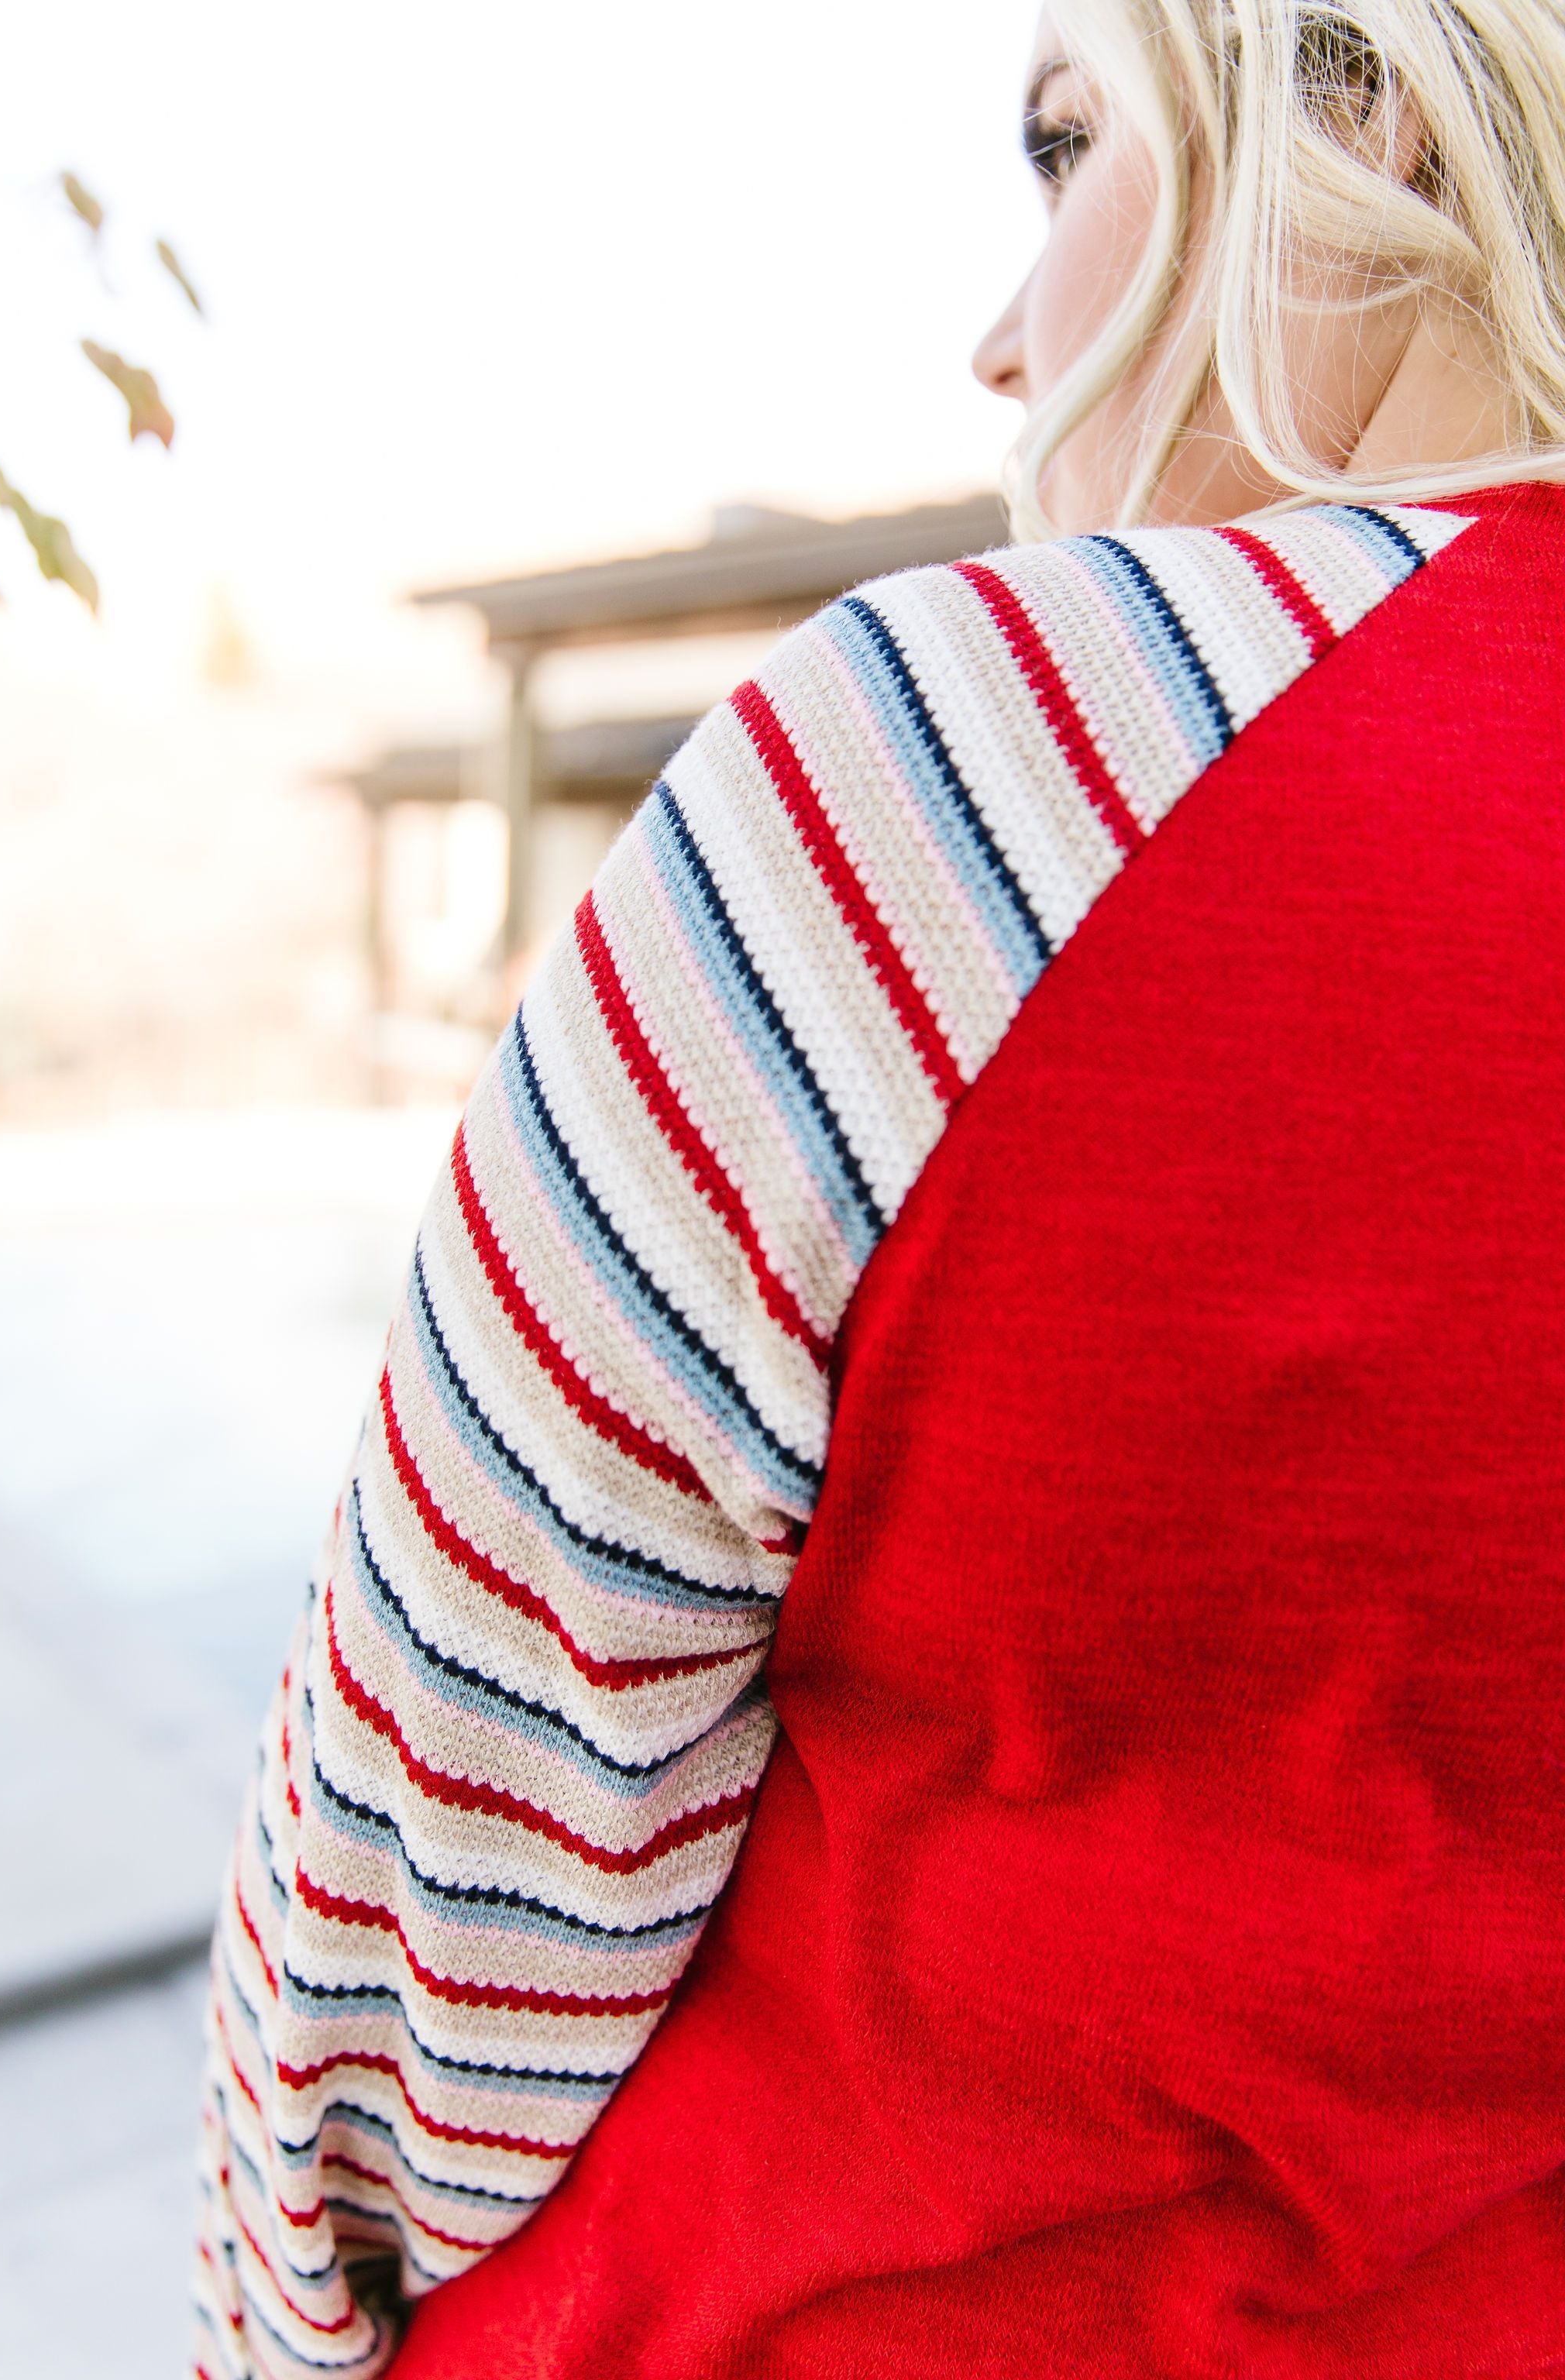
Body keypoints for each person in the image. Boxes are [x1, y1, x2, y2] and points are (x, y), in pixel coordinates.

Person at [193, 2, 1565, 2373]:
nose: (1006, 332)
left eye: (1067, 142)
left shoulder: (948, 770)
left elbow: (415, 1909)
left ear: (1372, 100)